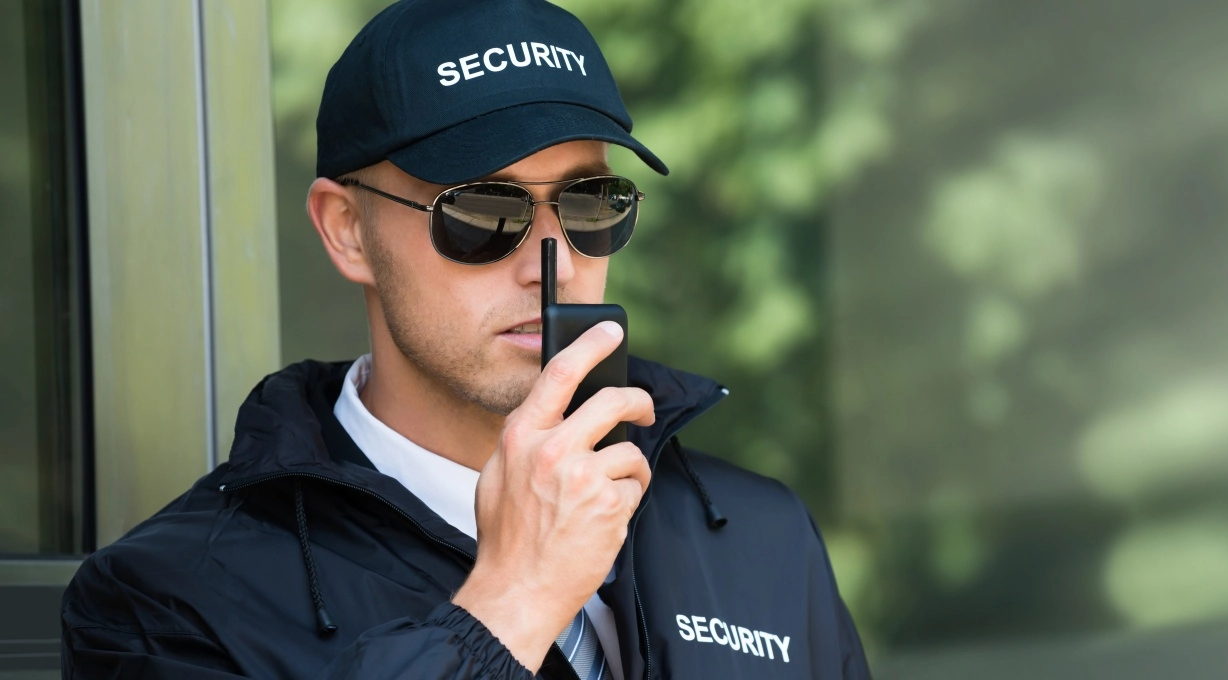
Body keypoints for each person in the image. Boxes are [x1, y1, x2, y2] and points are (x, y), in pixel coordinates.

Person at [59, 0, 870, 677]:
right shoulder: (166, 603)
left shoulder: (761, 535)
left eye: (591, 204)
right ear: (346, 230)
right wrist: (514, 600)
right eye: (483, 212)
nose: (553, 264)